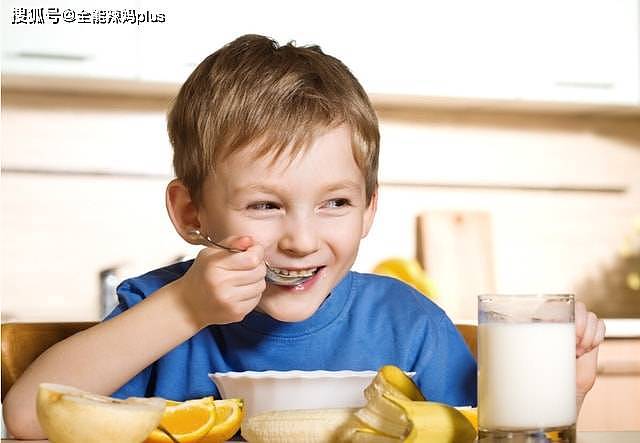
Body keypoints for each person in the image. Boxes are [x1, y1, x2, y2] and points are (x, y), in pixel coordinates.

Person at [3, 34, 606, 438]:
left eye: (335, 203)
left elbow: (488, 435)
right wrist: (184, 309)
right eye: (265, 204)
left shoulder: (407, 323)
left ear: (370, 209)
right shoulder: (160, 312)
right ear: (191, 212)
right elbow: (28, 420)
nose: (300, 239)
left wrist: (562, 392)